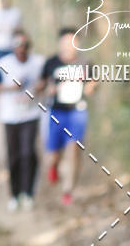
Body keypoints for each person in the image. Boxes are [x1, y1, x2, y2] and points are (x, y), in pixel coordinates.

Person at [37, 27, 94, 205]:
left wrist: (90, 87)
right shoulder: (51, 63)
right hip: (56, 112)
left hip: (77, 111)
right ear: (60, 43)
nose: (69, 45)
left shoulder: (85, 63)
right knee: (53, 156)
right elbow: (41, 85)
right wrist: (49, 89)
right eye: (66, 41)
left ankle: (68, 190)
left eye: (73, 41)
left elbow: (93, 82)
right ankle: (53, 167)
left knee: (74, 149)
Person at [0, 29, 44, 210]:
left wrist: (34, 91)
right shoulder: (3, 64)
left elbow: (44, 82)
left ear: (30, 46)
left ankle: (28, 193)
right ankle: (14, 195)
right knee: (14, 157)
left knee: (28, 153)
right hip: (10, 116)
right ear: (12, 47)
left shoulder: (38, 62)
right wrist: (12, 88)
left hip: (30, 115)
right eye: (18, 45)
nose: (21, 49)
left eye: (25, 45)